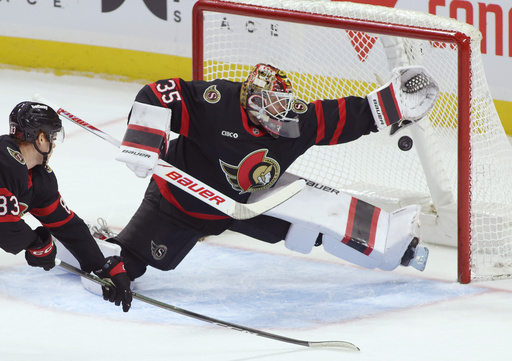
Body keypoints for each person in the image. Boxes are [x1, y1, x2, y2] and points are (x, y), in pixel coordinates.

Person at [110, 63, 438, 280]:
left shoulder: (295, 123)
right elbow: (156, 94)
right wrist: (145, 139)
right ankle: (93, 246)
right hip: (177, 206)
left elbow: (347, 116)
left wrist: (394, 102)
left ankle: (397, 248)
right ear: (250, 100)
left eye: (283, 103)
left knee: (310, 226)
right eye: (272, 105)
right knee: (129, 267)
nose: (281, 113)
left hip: (244, 205)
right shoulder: (215, 103)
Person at [0, 101, 132, 312]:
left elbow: (67, 225)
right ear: (41, 138)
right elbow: (5, 230)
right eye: (52, 137)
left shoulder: (39, 178)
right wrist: (37, 243)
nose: (53, 144)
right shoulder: (5, 161)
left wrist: (100, 266)